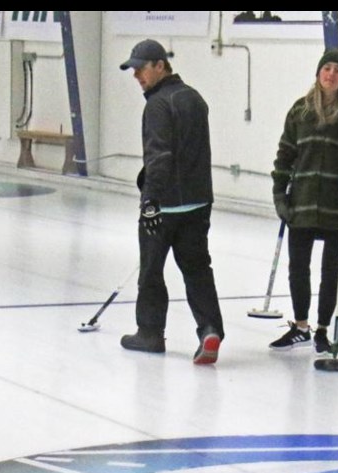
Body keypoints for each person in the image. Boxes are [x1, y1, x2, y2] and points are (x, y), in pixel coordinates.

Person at [118, 39, 224, 365]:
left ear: (160, 66)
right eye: (133, 69)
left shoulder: (158, 105)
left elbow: (160, 156)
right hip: (197, 202)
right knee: (196, 267)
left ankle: (149, 332)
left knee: (151, 271)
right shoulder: (194, 98)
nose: (137, 75)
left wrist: (150, 200)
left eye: (141, 68)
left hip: (164, 206)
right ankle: (210, 329)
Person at [269, 49, 338, 353]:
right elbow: (285, 154)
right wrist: (279, 194)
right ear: (318, 72)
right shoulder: (300, 111)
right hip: (303, 203)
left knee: (331, 272)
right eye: (327, 68)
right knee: (298, 267)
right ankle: (301, 325)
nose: (331, 75)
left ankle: (323, 327)